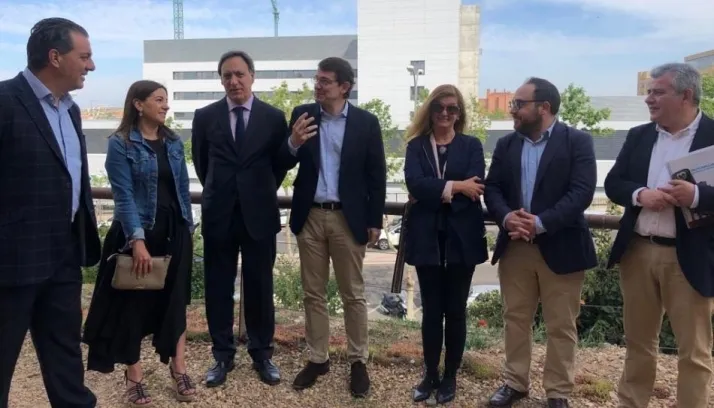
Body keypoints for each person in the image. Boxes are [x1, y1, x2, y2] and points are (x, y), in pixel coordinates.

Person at [0, 18, 101, 408]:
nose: (91, 65)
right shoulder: (5, 101)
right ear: (55, 57)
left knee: (65, 355)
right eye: (84, 56)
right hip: (11, 262)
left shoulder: (71, 110)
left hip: (63, 256)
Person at [604, 62, 714, 408]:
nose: (648, 99)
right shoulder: (640, 135)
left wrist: (696, 196)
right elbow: (613, 183)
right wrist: (641, 195)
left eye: (657, 92)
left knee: (694, 350)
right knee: (638, 342)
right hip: (638, 251)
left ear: (686, 95)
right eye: (649, 92)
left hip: (691, 256)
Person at [484, 77, 597, 408]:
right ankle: (514, 382)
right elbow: (493, 189)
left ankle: (558, 391)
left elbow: (581, 192)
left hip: (561, 247)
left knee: (561, 325)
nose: (512, 110)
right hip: (516, 246)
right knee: (515, 319)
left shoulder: (578, 142)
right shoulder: (506, 144)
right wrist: (507, 217)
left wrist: (540, 223)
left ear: (544, 108)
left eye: (519, 104)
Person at [82, 80, 196, 405]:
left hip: (175, 231)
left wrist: (188, 226)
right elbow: (124, 196)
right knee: (131, 304)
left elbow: (182, 188)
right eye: (159, 99)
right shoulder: (121, 144)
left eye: (166, 100)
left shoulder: (173, 141)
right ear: (138, 104)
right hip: (138, 233)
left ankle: (179, 367)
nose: (165, 105)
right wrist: (137, 240)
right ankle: (134, 375)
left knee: (175, 302)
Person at [281, 56, 387, 397]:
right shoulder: (303, 115)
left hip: (348, 217)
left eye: (325, 81)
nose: (318, 85)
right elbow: (282, 162)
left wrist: (374, 220)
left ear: (344, 87)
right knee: (313, 293)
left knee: (352, 293)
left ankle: (358, 361)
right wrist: (293, 142)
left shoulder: (366, 122)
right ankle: (318, 358)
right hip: (309, 216)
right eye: (317, 79)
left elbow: (377, 174)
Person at [191, 50, 290, 387]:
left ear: (252, 76)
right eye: (227, 76)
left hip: (259, 215)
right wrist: (224, 192)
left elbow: (278, 165)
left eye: (239, 74)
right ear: (221, 80)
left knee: (260, 287)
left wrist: (256, 190)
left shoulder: (274, 118)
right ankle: (222, 354)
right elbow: (202, 164)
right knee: (218, 287)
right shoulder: (205, 117)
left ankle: (262, 354)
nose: (233, 81)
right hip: (219, 214)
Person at [403, 84, 489, 404]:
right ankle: (430, 374)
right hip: (427, 239)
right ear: (430, 110)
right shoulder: (416, 147)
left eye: (451, 108)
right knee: (431, 311)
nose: (445, 113)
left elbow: (475, 189)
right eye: (439, 107)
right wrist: (456, 186)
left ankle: (451, 375)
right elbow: (415, 184)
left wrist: (437, 190)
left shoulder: (471, 145)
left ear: (459, 113)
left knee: (455, 311)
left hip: (461, 240)